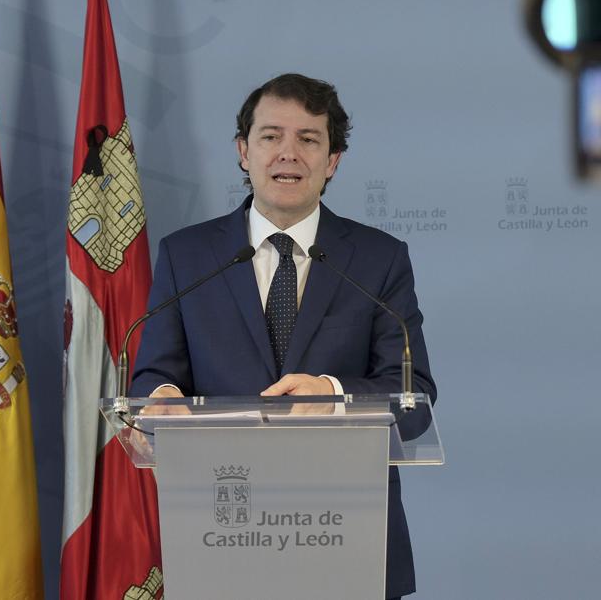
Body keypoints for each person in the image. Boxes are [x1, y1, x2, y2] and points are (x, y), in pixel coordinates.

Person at [130, 73, 436, 599]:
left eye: (308, 139)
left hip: (348, 535)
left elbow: (415, 403)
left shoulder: (380, 260)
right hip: (221, 530)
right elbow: (156, 373)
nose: (287, 154)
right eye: (271, 136)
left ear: (332, 161)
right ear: (244, 151)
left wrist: (336, 396)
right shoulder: (187, 256)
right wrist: (159, 400)